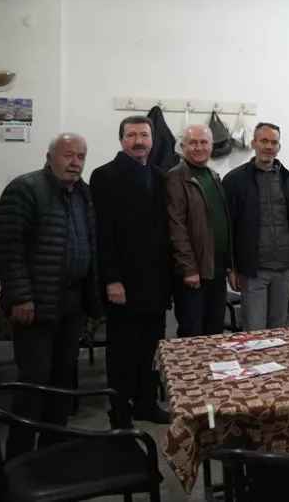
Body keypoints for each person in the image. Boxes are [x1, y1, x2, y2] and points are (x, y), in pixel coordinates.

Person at [0, 133, 102, 459]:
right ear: (49, 156)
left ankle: (54, 452)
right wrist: (20, 297)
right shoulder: (25, 189)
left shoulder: (84, 193)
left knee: (62, 379)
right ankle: (20, 459)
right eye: (68, 155)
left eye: (81, 156)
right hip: (36, 302)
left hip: (72, 299)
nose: (75, 162)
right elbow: (8, 249)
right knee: (33, 382)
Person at [90, 116, 172, 425]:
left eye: (144, 135)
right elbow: (103, 234)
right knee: (122, 352)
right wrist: (112, 279)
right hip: (123, 282)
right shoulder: (105, 176)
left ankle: (146, 404)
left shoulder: (160, 175)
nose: (139, 141)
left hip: (156, 281)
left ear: (152, 140)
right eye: (132, 135)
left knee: (152, 349)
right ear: (121, 140)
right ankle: (120, 412)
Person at [223, 123, 289, 330]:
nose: (268, 146)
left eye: (274, 142)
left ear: (279, 147)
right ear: (253, 143)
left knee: (279, 328)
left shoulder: (288, 179)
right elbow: (228, 227)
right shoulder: (235, 180)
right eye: (264, 141)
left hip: (284, 267)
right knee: (254, 330)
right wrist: (230, 268)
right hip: (253, 269)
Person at [164, 124, 235, 337]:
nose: (198, 147)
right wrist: (189, 268)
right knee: (192, 332)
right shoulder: (175, 178)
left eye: (203, 142)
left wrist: (230, 267)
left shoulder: (213, 176)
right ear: (182, 147)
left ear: (212, 145)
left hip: (216, 267)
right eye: (192, 142)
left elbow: (223, 223)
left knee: (215, 329)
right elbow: (176, 227)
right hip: (193, 270)